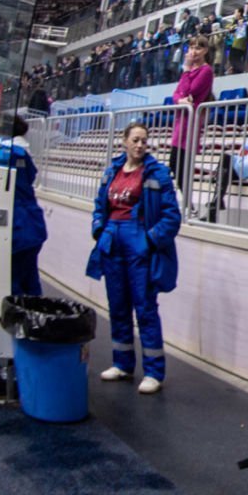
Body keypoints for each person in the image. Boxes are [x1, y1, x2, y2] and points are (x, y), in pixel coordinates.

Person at [87, 122, 182, 395]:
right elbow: (99, 206)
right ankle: (122, 364)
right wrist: (98, 228)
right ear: (124, 141)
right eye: (136, 140)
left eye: (144, 140)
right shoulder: (111, 171)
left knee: (145, 308)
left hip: (138, 242)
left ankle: (153, 372)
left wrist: (149, 241)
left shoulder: (158, 174)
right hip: (112, 242)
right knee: (117, 306)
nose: (140, 145)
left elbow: (172, 217)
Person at [169, 40, 214, 211]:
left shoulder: (206, 71)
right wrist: (180, 100)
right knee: (175, 164)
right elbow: (176, 94)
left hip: (191, 122)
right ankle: (188, 206)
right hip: (180, 121)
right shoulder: (189, 71)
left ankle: (189, 207)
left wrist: (186, 70)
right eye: (192, 47)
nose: (194, 51)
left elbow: (190, 91)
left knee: (182, 166)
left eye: (198, 48)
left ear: (205, 50)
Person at [8, 116, 47, 297]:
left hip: (20, 226)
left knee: (14, 282)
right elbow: (31, 176)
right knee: (30, 280)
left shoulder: (10, 153)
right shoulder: (23, 154)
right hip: (33, 226)